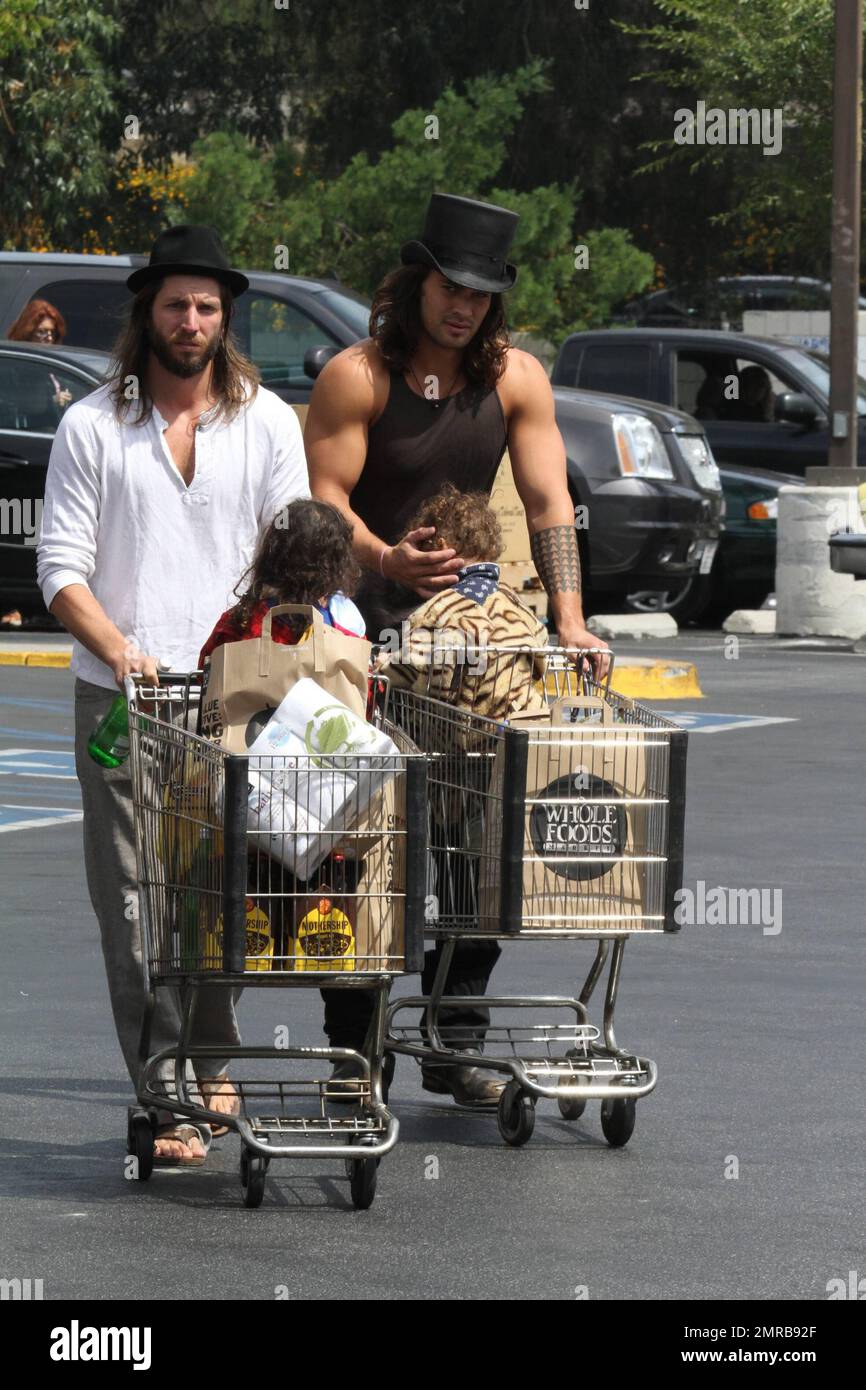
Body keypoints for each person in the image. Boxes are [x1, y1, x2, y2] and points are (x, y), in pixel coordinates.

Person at [306, 191, 610, 1106]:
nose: (463, 306)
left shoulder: (515, 378)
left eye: (480, 293)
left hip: (470, 649)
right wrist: (385, 556)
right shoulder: (358, 375)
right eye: (449, 286)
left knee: (483, 844)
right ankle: (352, 1059)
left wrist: (568, 617)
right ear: (417, 283)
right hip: (364, 640)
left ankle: (453, 1037)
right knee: (356, 847)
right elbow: (325, 500)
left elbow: (552, 502)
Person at [37, 225, 309, 1166]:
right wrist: (120, 649)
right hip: (122, 704)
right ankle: (166, 1096)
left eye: (205, 307)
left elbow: (294, 558)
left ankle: (214, 1056)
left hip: (231, 701)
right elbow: (60, 569)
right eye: (173, 305)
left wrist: (309, 646)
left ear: (224, 319)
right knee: (134, 908)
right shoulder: (92, 427)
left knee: (217, 897)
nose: (189, 322)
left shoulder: (268, 422)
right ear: (144, 314)